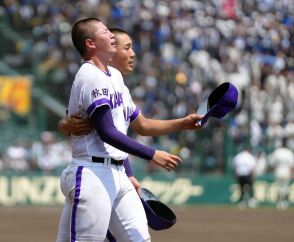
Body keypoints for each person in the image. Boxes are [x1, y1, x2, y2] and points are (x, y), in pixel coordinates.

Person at [56, 17, 203, 242]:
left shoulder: (114, 77)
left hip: (117, 173)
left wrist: (182, 123)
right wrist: (152, 155)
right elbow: (107, 132)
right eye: (105, 32)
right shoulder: (90, 76)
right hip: (92, 172)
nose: (111, 36)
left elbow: (140, 125)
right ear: (90, 43)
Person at [269, 138, 294, 210]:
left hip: (278, 171)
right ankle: (284, 202)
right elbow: (292, 165)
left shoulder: (277, 152)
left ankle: (279, 202)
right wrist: (292, 173)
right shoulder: (289, 152)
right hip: (286, 171)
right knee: (285, 187)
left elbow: (272, 163)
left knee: (279, 187)